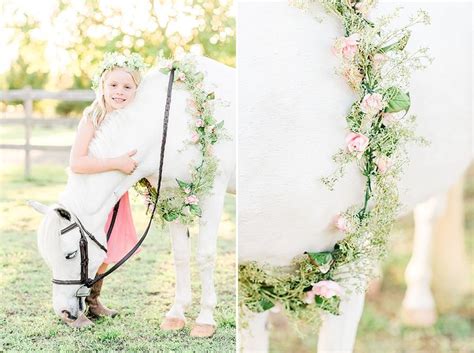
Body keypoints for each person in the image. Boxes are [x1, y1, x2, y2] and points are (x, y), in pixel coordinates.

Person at [68, 52, 147, 317]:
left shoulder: (132, 122)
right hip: (90, 193)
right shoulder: (93, 116)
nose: (120, 92)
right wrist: (116, 163)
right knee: (87, 247)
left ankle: (93, 299)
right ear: (102, 86)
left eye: (127, 86)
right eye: (113, 85)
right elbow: (77, 162)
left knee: (107, 247)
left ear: (137, 89)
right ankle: (74, 301)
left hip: (114, 194)